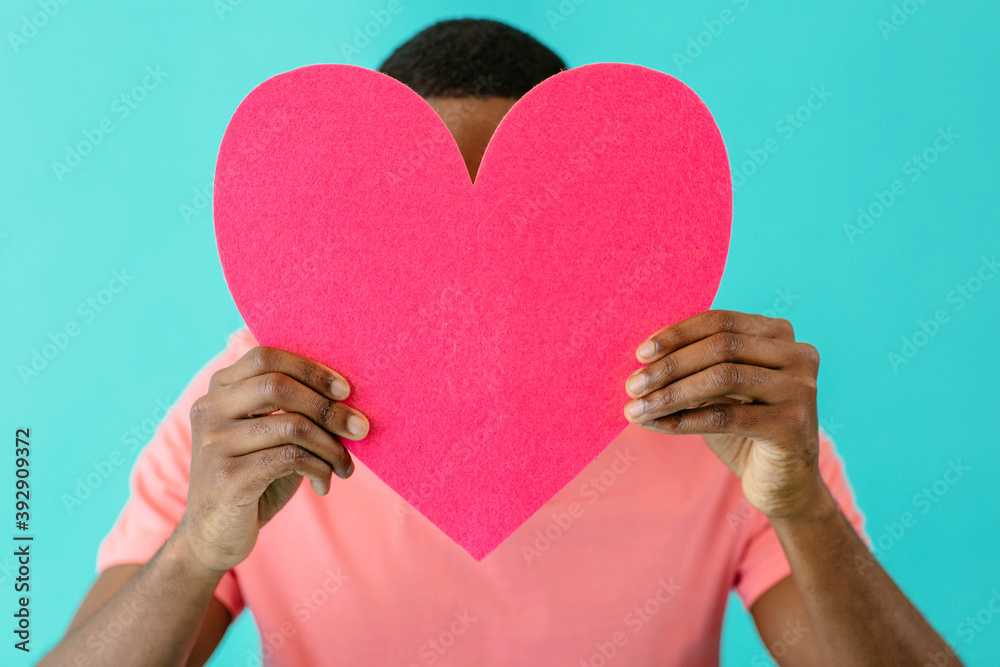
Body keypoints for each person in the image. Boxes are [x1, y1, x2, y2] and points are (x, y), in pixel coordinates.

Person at [42, 18, 960, 667]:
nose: (472, 289)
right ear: (362, 236)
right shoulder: (253, 409)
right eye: (428, 240)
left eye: (524, 233)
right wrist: (200, 543)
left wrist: (802, 508)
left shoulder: (721, 406)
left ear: (593, 232)